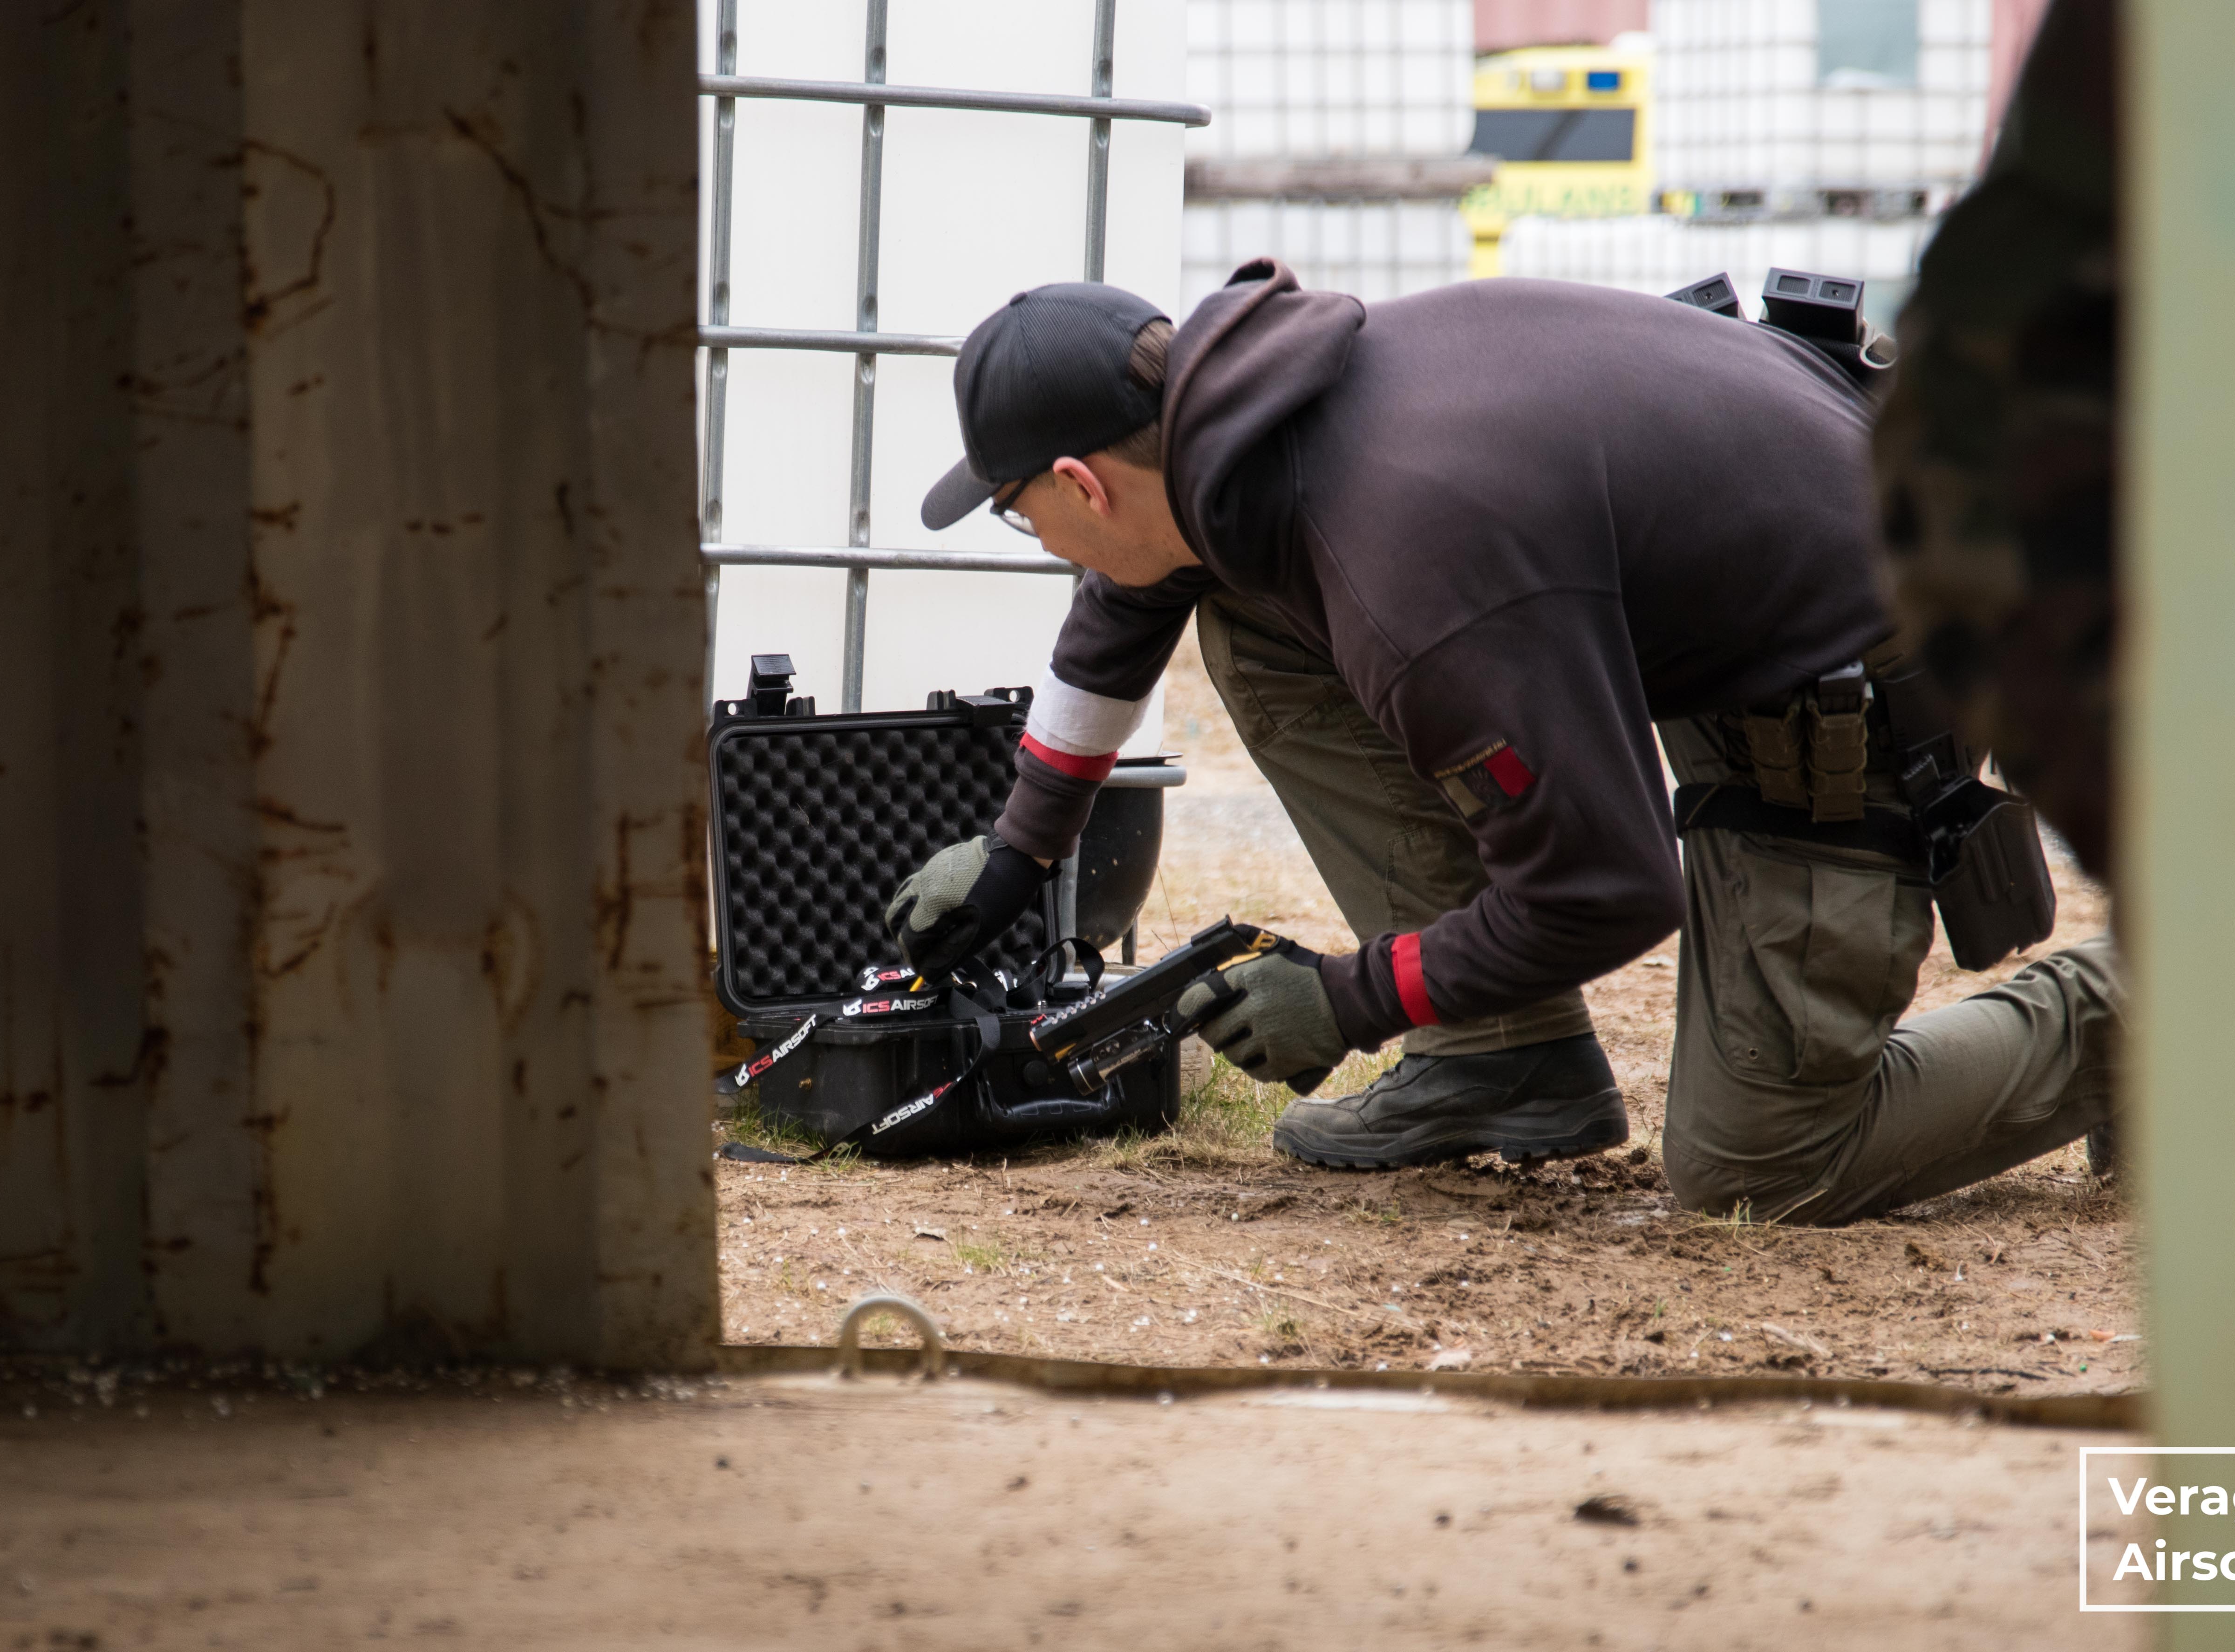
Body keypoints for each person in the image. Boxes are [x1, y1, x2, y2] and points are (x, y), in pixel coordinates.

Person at [881, 262, 2119, 1223]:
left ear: (1082, 483)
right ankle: (1503, 1060)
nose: (1041, 541)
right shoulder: (1250, 416)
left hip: (1867, 664)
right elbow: (1131, 594)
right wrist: (1020, 851)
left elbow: (1607, 887)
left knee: (1763, 1166)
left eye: (1020, 514)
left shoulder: (1407, 565)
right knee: (1252, 628)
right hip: (1731, 591)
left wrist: (1351, 997)